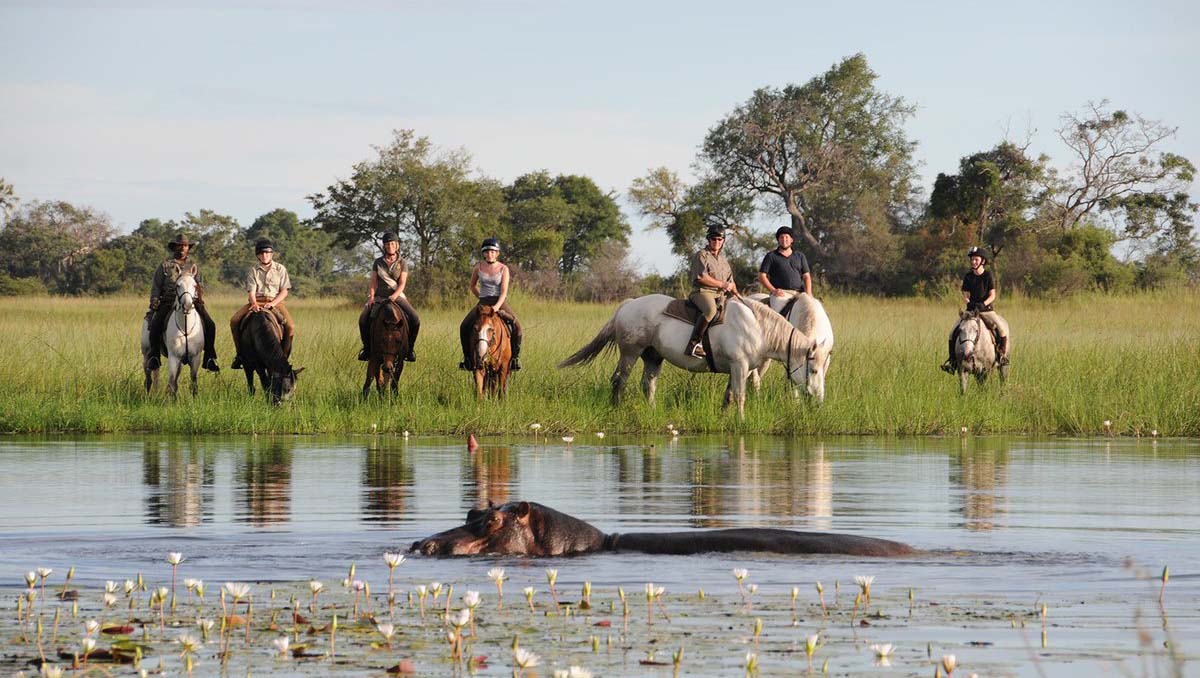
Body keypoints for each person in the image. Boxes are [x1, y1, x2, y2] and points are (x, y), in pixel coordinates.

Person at [145, 233, 220, 372]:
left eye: (185, 246)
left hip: (191, 300)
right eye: (179, 245)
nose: (182, 248)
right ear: (174, 247)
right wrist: (155, 301)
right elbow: (156, 286)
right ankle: (154, 356)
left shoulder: (193, 266)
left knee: (210, 324)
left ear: (188, 248)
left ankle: (209, 357)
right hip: (168, 300)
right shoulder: (165, 266)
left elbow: (199, 284)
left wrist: (199, 297)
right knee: (155, 324)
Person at [941, 246, 1010, 372]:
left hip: (986, 310)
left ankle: (1002, 356)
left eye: (976, 259)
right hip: (971, 311)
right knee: (952, 332)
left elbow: (992, 295)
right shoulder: (968, 276)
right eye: (972, 260)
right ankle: (952, 361)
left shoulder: (988, 275)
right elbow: (965, 296)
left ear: (982, 261)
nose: (973, 262)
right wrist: (970, 303)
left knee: (1001, 329)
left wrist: (983, 304)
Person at [229, 238, 295, 369]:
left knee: (291, 327)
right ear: (258, 255)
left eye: (267, 253)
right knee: (234, 320)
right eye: (262, 253)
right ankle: (240, 355)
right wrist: (254, 303)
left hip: (275, 302)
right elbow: (251, 291)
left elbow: (284, 291)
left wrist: (273, 303)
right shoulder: (253, 270)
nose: (265, 256)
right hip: (257, 301)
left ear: (272, 254)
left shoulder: (280, 269)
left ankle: (284, 357)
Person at [459, 237, 523, 371]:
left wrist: (496, 307)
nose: (490, 254)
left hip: (499, 302)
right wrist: (481, 297)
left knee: (517, 326)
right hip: (483, 302)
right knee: (464, 326)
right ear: (483, 253)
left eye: (493, 251)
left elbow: (504, 292)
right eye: (487, 252)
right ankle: (467, 359)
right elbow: (472, 286)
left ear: (497, 253)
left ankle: (515, 359)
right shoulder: (478, 267)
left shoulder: (503, 269)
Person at [358, 232, 420, 362]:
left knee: (415, 318)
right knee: (363, 319)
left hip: (397, 296)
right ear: (384, 246)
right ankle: (367, 349)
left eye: (392, 243)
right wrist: (371, 297)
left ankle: (409, 349)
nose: (390, 246)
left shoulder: (403, 263)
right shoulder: (378, 262)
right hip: (379, 297)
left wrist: (394, 296)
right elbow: (373, 282)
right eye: (387, 244)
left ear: (397, 245)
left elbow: (402, 284)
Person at [686, 227, 737, 359]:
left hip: (720, 295)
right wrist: (723, 285)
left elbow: (731, 282)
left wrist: (740, 297)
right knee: (710, 311)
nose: (717, 241)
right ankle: (693, 345)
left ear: (723, 241)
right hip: (702, 292)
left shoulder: (724, 261)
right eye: (714, 239)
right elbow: (701, 277)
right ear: (709, 240)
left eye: (720, 239)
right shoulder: (702, 255)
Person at [757, 226, 811, 311]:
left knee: (813, 309)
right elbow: (761, 276)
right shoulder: (771, 256)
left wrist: (809, 293)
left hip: (799, 293)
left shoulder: (800, 256)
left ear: (791, 240)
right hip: (780, 294)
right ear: (778, 240)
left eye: (786, 237)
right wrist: (773, 290)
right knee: (779, 315)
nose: (784, 239)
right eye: (781, 237)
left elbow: (806, 276)